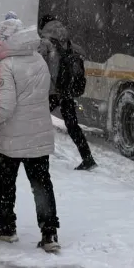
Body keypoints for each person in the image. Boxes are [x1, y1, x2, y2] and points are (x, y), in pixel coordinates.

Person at [0, 19, 60, 252]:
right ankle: (49, 233)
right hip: (38, 134)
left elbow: (4, 108)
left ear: (5, 40)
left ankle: (6, 226)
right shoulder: (38, 60)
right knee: (41, 184)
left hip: (10, 136)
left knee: (5, 183)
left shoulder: (7, 65)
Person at [38, 14, 97, 171]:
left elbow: (37, 64)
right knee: (72, 125)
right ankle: (87, 158)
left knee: (37, 121)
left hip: (51, 91)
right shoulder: (68, 42)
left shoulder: (45, 43)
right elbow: (82, 53)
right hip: (66, 90)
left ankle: (34, 156)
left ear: (43, 27)